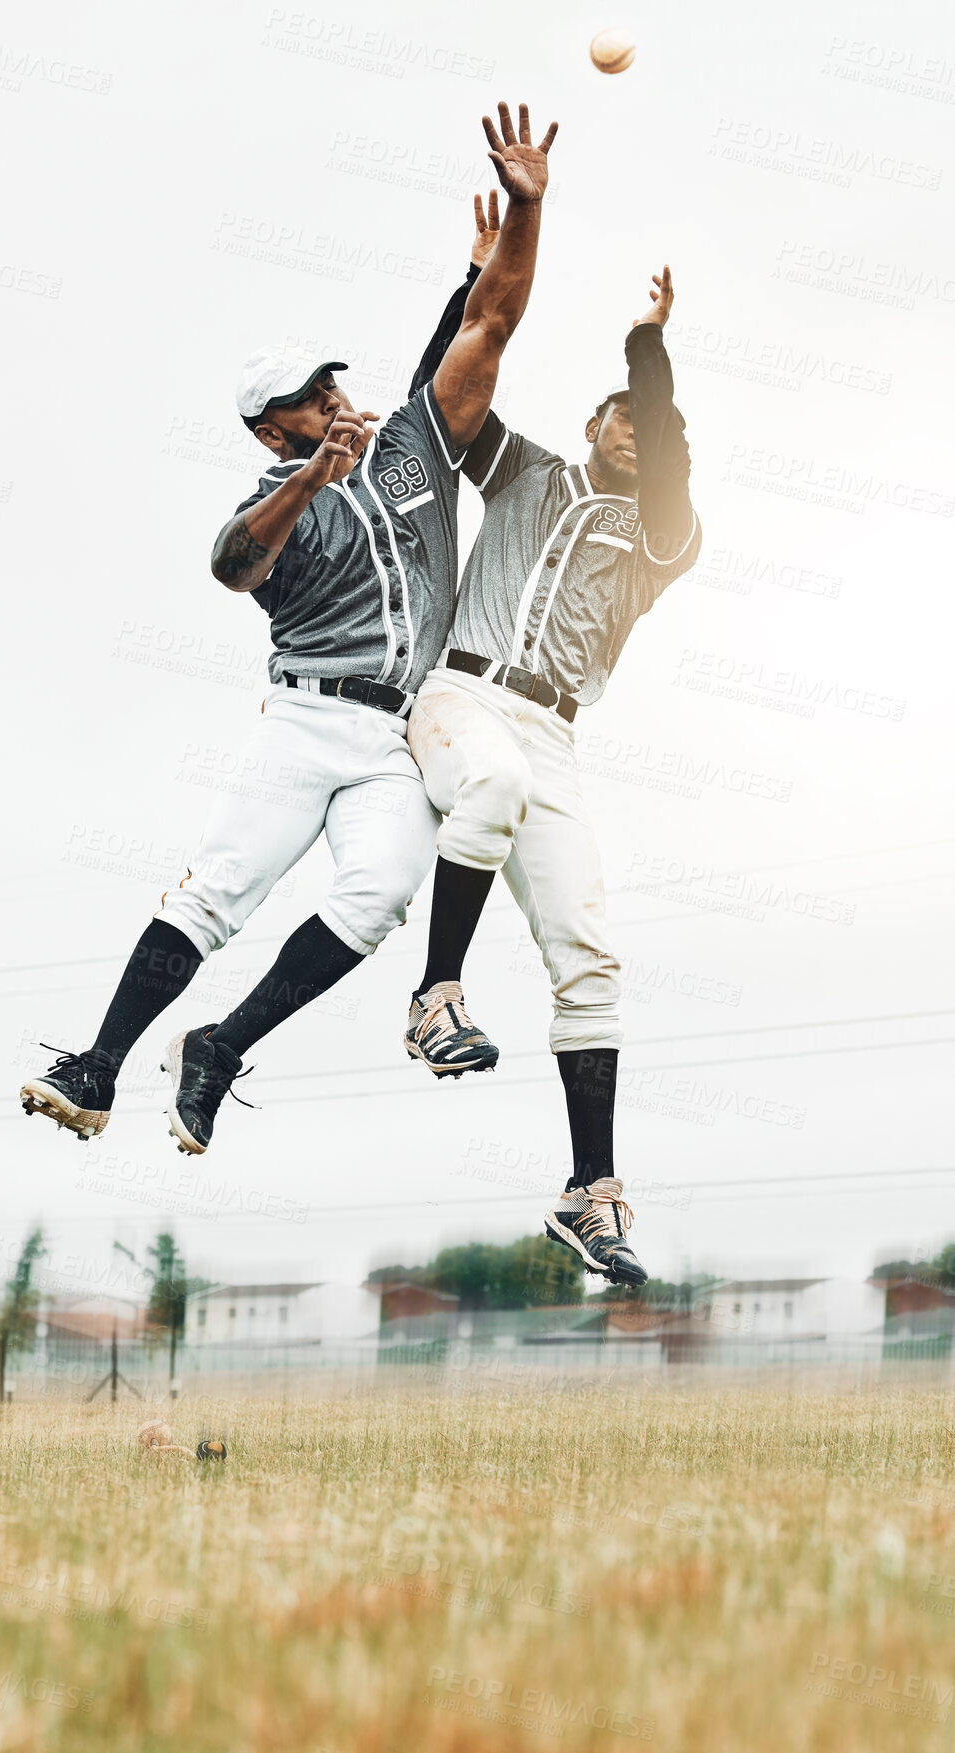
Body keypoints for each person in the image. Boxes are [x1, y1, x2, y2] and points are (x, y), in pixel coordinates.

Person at [20, 102, 557, 1156]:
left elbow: (490, 320)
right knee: (218, 892)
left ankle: (220, 1046)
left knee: (382, 891)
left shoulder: (409, 445)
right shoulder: (282, 490)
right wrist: (313, 473)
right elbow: (233, 567)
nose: (333, 398)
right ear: (273, 428)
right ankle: (98, 1067)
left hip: (390, 736)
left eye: (331, 382)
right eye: (309, 399)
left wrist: (530, 210)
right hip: (305, 723)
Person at [403, 262, 701, 1284]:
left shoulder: (665, 534)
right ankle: (438, 993)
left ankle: (591, 1191)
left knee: (592, 957)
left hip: (556, 731)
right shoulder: (529, 470)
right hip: (465, 693)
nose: (634, 427)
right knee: (487, 782)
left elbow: (662, 433)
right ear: (587, 423)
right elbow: (436, 411)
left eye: (650, 424)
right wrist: (473, 286)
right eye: (619, 414)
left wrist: (646, 347)